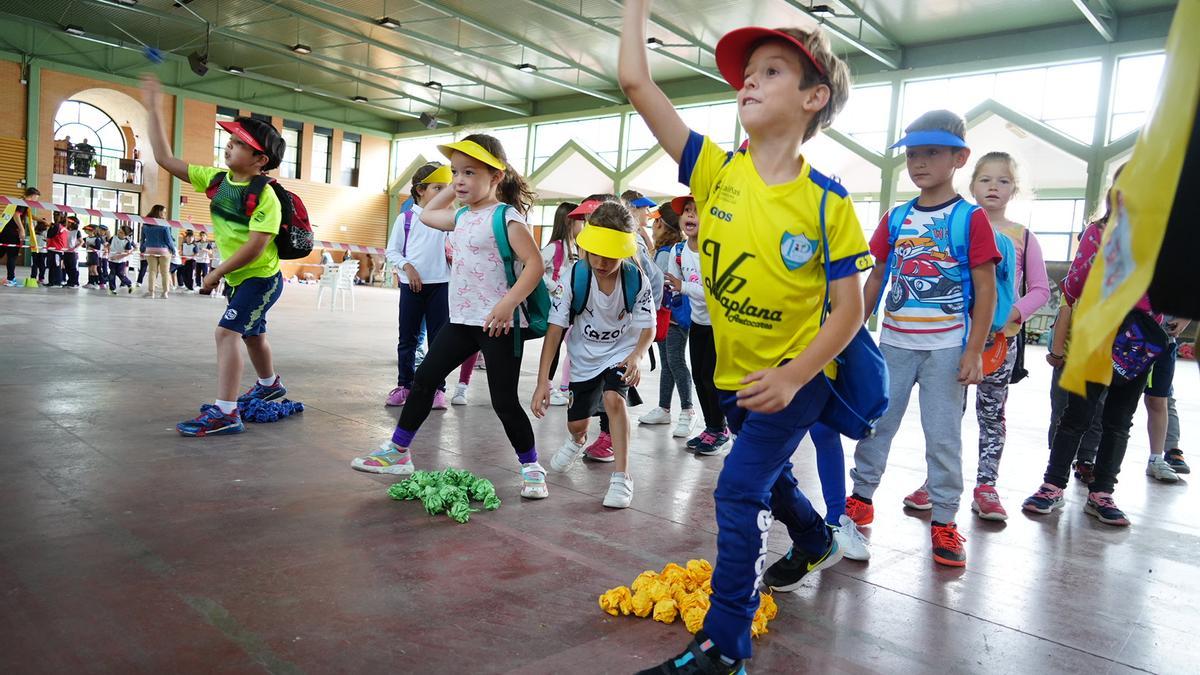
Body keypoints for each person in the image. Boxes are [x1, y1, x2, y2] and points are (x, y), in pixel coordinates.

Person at [621, 6, 868, 671]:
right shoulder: (713, 170)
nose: (748, 84)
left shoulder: (827, 203)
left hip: (796, 383)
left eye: (771, 71)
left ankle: (723, 644)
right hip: (736, 380)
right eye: (746, 75)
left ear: (814, 98)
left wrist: (794, 375)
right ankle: (814, 537)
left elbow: (850, 310)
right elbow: (637, 87)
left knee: (737, 488)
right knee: (772, 473)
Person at [351, 134, 548, 500]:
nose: (459, 180)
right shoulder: (461, 216)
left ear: (496, 176)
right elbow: (425, 215)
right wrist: (451, 181)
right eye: (455, 172)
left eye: (470, 172)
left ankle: (532, 466)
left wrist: (507, 303)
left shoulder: (507, 218)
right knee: (424, 379)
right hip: (461, 321)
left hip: (498, 324)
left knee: (504, 401)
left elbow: (534, 265)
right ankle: (398, 452)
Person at [847, 109, 1001, 567]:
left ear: (959, 158)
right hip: (892, 344)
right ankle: (860, 498)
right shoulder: (896, 218)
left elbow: (986, 288)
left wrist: (973, 350)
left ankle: (946, 520)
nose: (919, 163)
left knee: (943, 436)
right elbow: (875, 278)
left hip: (946, 349)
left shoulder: (969, 219)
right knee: (876, 424)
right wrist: (855, 329)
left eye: (932, 153)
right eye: (913, 154)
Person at [905, 152, 1051, 520]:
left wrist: (1011, 314)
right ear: (972, 185)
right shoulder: (958, 225)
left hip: (1000, 344)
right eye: (986, 180)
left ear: (1014, 190)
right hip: (953, 338)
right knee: (946, 414)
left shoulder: (1024, 237)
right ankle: (936, 482)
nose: (993, 187)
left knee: (991, 413)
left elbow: (1040, 289)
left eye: (1003, 181)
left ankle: (987, 486)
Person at [143, 74, 290, 437]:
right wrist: (153, 108)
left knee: (227, 334)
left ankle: (226, 413)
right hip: (241, 278)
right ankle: (270, 384)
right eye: (229, 141)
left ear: (260, 158)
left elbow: (255, 246)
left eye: (238, 144)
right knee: (252, 335)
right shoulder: (216, 180)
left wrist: (214, 273)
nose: (228, 147)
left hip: (261, 278)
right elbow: (164, 158)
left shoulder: (265, 196)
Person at [1022, 168, 1151, 526]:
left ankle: (1102, 492)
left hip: (1136, 341)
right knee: (1076, 416)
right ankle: (1053, 484)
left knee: (1118, 421)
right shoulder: (1097, 232)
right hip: (1094, 335)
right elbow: (1074, 286)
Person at [533, 200, 656, 508]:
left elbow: (648, 327)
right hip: (583, 360)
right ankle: (577, 439)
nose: (601, 261)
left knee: (615, 400)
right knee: (576, 424)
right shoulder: (575, 276)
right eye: (595, 252)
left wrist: (638, 356)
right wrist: (542, 381)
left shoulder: (635, 279)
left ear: (625, 250)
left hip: (619, 354)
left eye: (610, 255)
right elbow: (554, 331)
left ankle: (622, 478)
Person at [384, 162, 454, 409]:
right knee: (408, 339)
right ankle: (405, 385)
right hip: (411, 287)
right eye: (438, 188)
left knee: (438, 341)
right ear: (420, 190)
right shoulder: (407, 218)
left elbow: (457, 249)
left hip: (441, 286)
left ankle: (438, 389)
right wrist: (407, 267)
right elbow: (391, 251)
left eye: (448, 188)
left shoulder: (449, 219)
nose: (445, 193)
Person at [665, 194, 729, 455]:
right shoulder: (678, 251)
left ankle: (721, 428)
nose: (690, 215)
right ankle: (711, 426)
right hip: (698, 322)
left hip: (720, 324)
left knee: (712, 378)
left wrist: (683, 287)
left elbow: (717, 291)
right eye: (687, 211)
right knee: (701, 377)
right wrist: (672, 291)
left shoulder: (715, 250)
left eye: (697, 211)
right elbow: (674, 283)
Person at [639, 202, 698, 438]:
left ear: (662, 224)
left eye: (655, 222)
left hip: (671, 317)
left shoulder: (666, 253)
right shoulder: (673, 249)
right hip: (671, 316)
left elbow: (659, 286)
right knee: (668, 363)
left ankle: (688, 410)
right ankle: (664, 408)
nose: (653, 226)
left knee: (675, 362)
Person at [540, 201, 582, 406]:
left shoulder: (577, 247)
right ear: (569, 221)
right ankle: (547, 386)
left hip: (569, 306)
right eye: (580, 221)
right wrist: (553, 286)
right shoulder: (554, 247)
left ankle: (563, 385)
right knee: (554, 346)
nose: (583, 225)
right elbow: (535, 267)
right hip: (554, 306)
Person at [1142, 317, 1187, 482]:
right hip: (1129, 337)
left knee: (1159, 400)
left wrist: (1185, 320)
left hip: (1164, 340)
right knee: (1117, 400)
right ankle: (1093, 455)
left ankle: (1156, 458)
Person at [2, 187, 37, 286]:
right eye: (36, 198)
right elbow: (17, 215)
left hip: (4, 230)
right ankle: (11, 279)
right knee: (12, 256)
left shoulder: (18, 201)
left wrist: (39, 220)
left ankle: (10, 278)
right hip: (12, 232)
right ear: (33, 196)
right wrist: (22, 230)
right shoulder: (24, 203)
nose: (36, 200)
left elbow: (23, 215)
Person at [139, 205, 175, 299]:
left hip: (150, 249)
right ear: (158, 212)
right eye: (163, 212)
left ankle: (151, 293)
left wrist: (142, 249)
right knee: (165, 272)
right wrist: (173, 250)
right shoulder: (164, 224)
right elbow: (168, 240)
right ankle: (165, 293)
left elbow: (142, 239)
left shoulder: (145, 224)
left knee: (152, 271)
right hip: (163, 250)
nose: (165, 214)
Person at [107, 223, 135, 294]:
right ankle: (112, 289)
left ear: (125, 235)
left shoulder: (127, 242)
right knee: (111, 274)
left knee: (120, 274)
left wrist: (117, 257)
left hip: (121, 262)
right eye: (118, 231)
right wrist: (106, 249)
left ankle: (129, 284)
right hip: (111, 260)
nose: (118, 233)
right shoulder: (113, 238)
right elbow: (108, 245)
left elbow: (127, 253)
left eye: (121, 232)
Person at [45, 213, 67, 288]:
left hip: (57, 250)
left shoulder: (58, 226)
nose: (55, 217)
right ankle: (51, 282)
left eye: (57, 215)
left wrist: (50, 227)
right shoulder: (58, 226)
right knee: (51, 266)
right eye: (54, 215)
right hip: (52, 249)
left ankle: (57, 283)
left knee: (56, 266)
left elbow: (50, 235)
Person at [62, 215, 82, 288]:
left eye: (68, 221)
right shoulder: (65, 230)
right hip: (66, 252)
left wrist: (74, 248)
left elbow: (81, 242)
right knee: (67, 267)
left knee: (73, 268)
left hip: (73, 253)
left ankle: (75, 283)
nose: (66, 222)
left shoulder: (77, 232)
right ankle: (70, 282)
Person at [31, 219, 49, 285]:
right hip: (43, 251)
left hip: (34, 250)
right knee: (42, 265)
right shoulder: (46, 232)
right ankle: (41, 278)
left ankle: (33, 278)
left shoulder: (34, 231)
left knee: (34, 265)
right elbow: (47, 240)